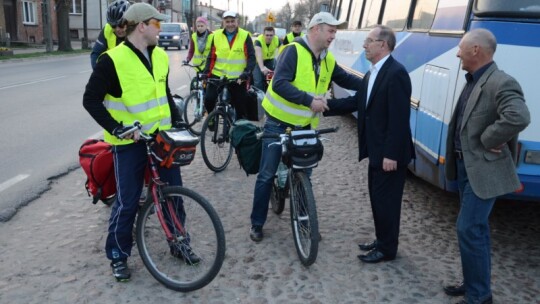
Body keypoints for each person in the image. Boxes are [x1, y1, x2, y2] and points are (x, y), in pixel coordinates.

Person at [82, 3, 199, 282]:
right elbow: (90, 100)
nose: (161, 27)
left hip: (162, 137)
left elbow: (164, 93)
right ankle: (118, 256)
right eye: (156, 23)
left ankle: (178, 242)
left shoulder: (159, 56)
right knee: (128, 202)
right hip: (129, 143)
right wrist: (117, 128)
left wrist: (178, 121)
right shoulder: (112, 60)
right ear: (141, 26)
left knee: (173, 192)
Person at [249, 12, 361, 242]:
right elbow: (279, 83)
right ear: (316, 29)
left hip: (305, 126)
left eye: (335, 31)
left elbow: (347, 80)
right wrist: (310, 101)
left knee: (304, 175)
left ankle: (304, 220)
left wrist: (375, 83)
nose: (333, 36)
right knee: (266, 175)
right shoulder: (293, 50)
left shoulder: (327, 59)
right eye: (331, 30)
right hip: (277, 122)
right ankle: (257, 223)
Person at [442, 29, 530, 304]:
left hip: (484, 169)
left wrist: (489, 138)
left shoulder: (501, 81)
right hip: (465, 167)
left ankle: (479, 296)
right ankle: (473, 285)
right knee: (475, 229)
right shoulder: (474, 79)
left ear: (476, 50)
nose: (457, 53)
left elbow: (519, 116)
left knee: (468, 228)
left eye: (460, 48)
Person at [324, 25, 414, 263]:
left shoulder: (396, 73)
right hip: (376, 151)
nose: (364, 45)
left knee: (387, 202)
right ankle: (382, 239)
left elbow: (399, 118)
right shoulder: (373, 72)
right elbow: (356, 102)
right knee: (378, 199)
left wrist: (391, 155)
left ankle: (387, 250)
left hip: (389, 154)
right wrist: (324, 106)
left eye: (369, 41)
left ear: (382, 45)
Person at [202, 11, 257, 121]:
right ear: (223, 22)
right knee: (208, 99)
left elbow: (251, 57)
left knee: (240, 106)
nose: (230, 24)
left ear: (237, 21)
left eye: (232, 21)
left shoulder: (245, 35)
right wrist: (206, 73)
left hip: (238, 78)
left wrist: (246, 73)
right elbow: (211, 57)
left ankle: (237, 130)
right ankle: (211, 119)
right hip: (218, 75)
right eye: (227, 21)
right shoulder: (216, 35)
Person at [90, 0, 130, 69]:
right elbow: (96, 54)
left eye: (121, 25)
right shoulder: (107, 30)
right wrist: (99, 73)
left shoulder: (137, 32)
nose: (117, 29)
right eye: (113, 25)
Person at [252, 26, 280, 91]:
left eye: (271, 35)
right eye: (267, 35)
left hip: (269, 60)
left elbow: (283, 51)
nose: (269, 37)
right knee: (258, 82)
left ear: (274, 35)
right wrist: (262, 68)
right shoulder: (258, 41)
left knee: (270, 80)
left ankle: (269, 94)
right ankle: (260, 97)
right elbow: (259, 55)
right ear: (263, 35)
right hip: (257, 61)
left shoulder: (277, 40)